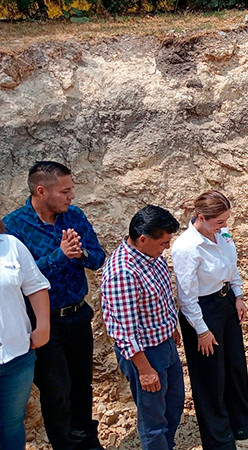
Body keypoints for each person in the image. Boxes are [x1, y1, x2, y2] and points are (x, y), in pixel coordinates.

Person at [3, 161, 106, 450]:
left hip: (77, 315)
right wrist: (60, 256)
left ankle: (88, 441)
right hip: (43, 323)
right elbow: (22, 276)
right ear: (41, 190)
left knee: (82, 386)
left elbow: (98, 258)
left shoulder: (74, 216)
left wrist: (79, 251)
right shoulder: (14, 226)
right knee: (56, 391)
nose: (71, 196)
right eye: (65, 191)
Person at [171, 191, 248, 448]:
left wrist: (238, 296)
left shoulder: (222, 235)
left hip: (225, 302)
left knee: (235, 366)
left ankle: (244, 423)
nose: (224, 227)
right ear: (201, 218)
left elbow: (231, 266)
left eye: (226, 221)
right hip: (202, 312)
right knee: (210, 376)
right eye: (219, 222)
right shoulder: (186, 248)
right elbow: (187, 297)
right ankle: (218, 439)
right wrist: (202, 332)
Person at [100, 205, 184, 450]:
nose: (167, 248)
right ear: (143, 239)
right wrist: (145, 370)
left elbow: (163, 297)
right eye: (163, 243)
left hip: (164, 342)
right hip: (145, 354)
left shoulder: (151, 255)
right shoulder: (123, 273)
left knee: (174, 402)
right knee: (153, 417)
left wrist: (172, 328)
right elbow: (124, 332)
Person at [0, 219, 51, 450]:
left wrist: (42, 327)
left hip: (16, 358)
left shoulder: (11, 245)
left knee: (11, 425)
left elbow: (36, 285)